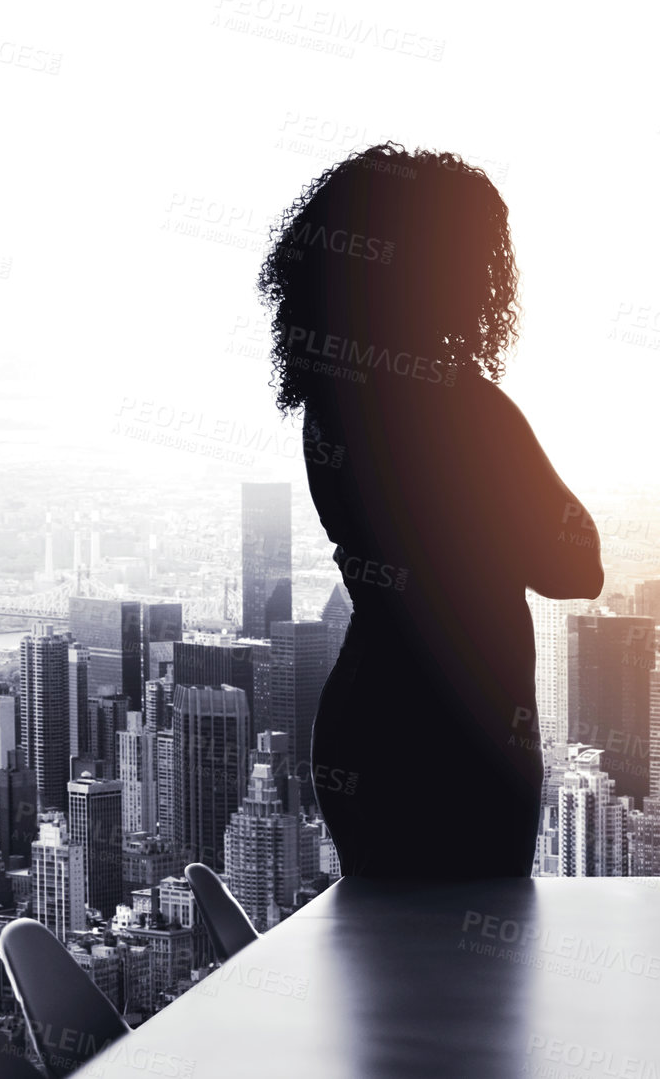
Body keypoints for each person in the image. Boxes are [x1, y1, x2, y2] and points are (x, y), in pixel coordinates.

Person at [257, 144, 602, 877]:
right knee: (476, 972)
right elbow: (577, 565)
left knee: (393, 970)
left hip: (368, 721)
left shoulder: (331, 403)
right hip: (469, 734)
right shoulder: (468, 408)